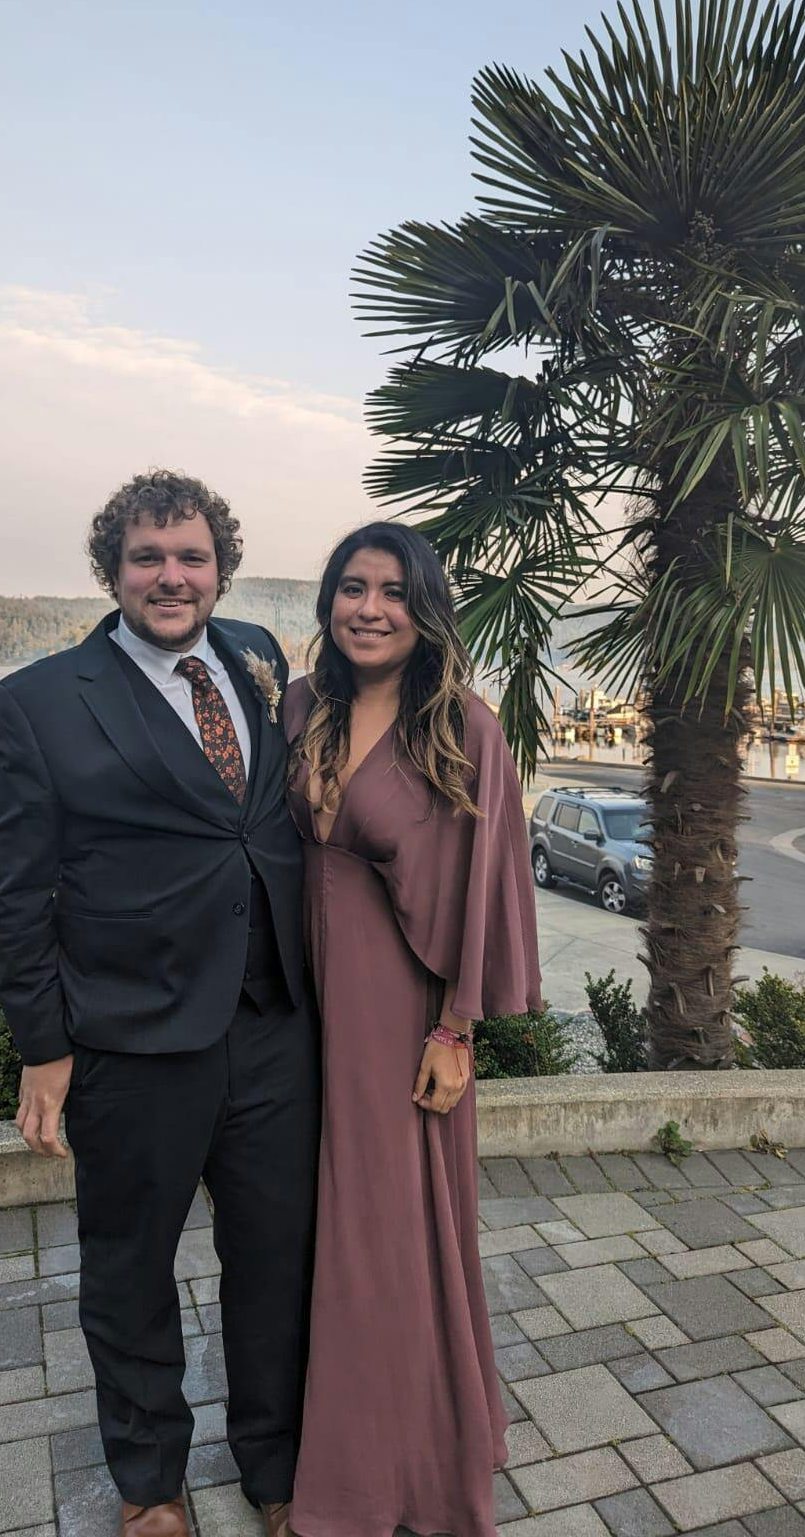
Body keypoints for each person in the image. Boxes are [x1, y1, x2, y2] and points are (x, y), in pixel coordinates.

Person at [0, 470, 319, 1537]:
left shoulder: (257, 657)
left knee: (277, 1263)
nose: (171, 577)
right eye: (147, 558)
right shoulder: (40, 701)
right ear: (112, 570)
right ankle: (150, 1485)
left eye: (191, 558)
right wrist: (43, 1047)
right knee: (130, 1274)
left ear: (220, 569)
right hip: (131, 1042)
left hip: (273, 1028)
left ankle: (277, 1470)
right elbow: (16, 892)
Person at [283, 522, 542, 1537]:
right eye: (353, 587)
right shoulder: (299, 707)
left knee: (388, 1238)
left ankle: (398, 1475)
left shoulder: (463, 727)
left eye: (393, 591)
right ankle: (327, 1442)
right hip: (295, 1005)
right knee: (314, 1232)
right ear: (328, 602)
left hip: (397, 1014)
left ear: (425, 609)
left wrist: (455, 1029)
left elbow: (486, 887)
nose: (370, 608)